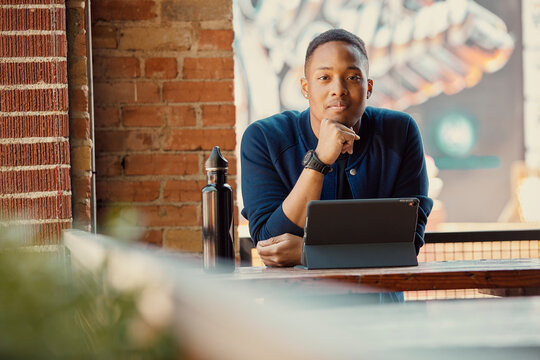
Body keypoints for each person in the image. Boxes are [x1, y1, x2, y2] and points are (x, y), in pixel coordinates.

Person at [241, 29, 432, 267]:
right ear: (305, 87)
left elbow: (406, 245)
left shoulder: (400, 132)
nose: (338, 89)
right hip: (295, 301)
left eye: (352, 77)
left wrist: (307, 253)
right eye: (324, 78)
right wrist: (319, 161)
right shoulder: (264, 138)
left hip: (378, 300)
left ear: (369, 87)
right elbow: (270, 244)